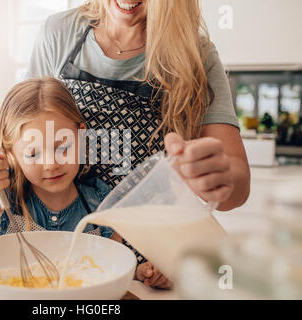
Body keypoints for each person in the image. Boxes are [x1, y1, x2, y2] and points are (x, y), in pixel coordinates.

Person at [24, 0, 250, 288]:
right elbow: (24, 133)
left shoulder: (196, 54)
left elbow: (238, 186)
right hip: (67, 250)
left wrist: (214, 179)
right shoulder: (59, 33)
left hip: (154, 264)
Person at [0, 77, 172, 289]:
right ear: (11, 154)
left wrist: (144, 272)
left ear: (81, 136)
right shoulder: (5, 200)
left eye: (62, 146)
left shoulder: (103, 203)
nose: (51, 163)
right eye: (33, 153)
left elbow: (113, 268)